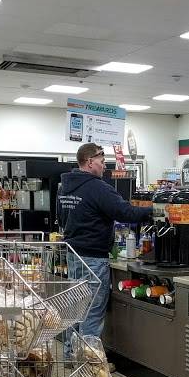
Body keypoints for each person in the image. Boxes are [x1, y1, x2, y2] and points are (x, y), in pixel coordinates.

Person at [58, 143, 153, 340]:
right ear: (90, 162)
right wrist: (156, 210)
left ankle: (71, 354)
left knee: (75, 311)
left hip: (73, 256)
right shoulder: (98, 188)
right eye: (102, 161)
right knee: (92, 312)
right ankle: (89, 357)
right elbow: (125, 212)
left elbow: (60, 218)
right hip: (93, 259)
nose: (104, 166)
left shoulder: (64, 188)